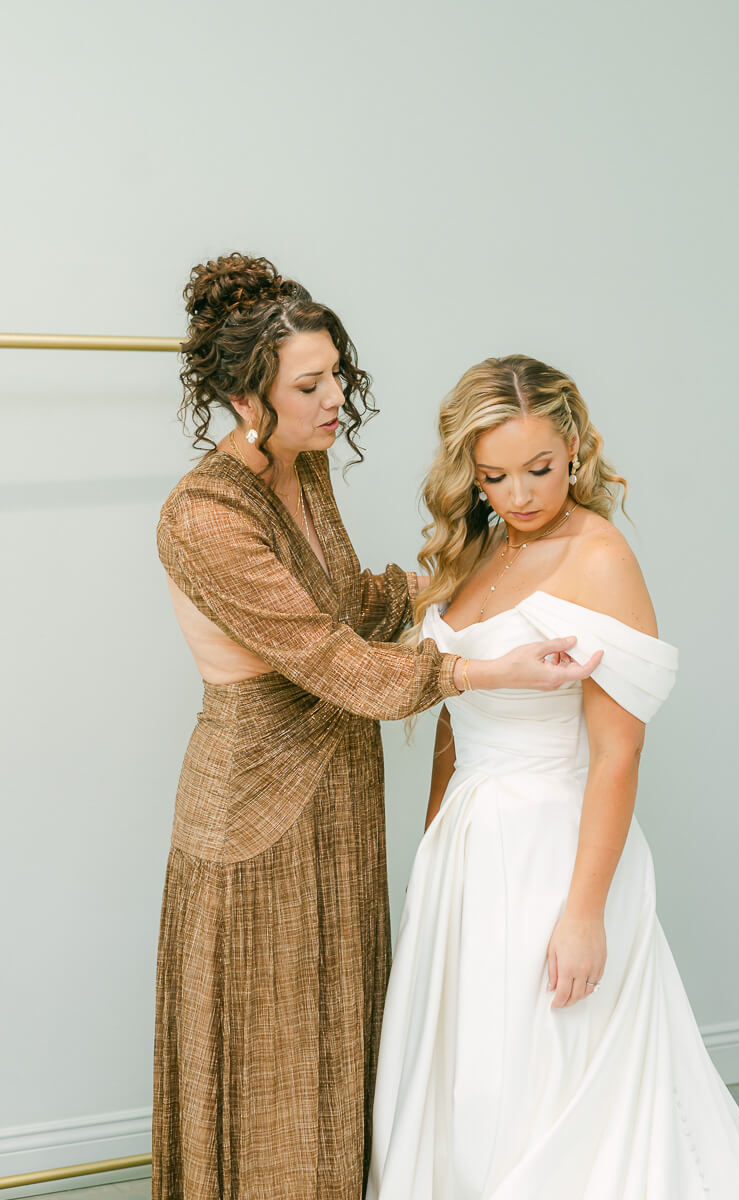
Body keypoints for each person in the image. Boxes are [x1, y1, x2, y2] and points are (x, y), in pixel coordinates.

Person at [153, 258, 601, 1200]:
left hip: (341, 801)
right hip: (258, 816)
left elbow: (349, 600)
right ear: (245, 397)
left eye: (337, 377)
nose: (334, 402)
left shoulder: (302, 470)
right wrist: (482, 668)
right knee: (274, 1063)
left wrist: (459, 578)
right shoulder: (202, 516)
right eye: (308, 386)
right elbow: (333, 659)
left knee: (339, 1049)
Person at [366, 354, 739, 1199]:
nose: (521, 495)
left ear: (577, 451)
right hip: (467, 851)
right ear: (469, 471)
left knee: (543, 1083)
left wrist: (586, 914)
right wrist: (431, 848)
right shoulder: (477, 548)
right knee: (466, 1078)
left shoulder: (599, 556)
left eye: (541, 470)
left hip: (553, 855)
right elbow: (454, 719)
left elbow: (619, 751)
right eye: (495, 476)